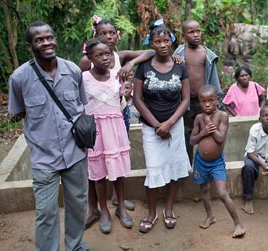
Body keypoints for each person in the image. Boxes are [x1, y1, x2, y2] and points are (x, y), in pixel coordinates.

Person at [8, 21, 89, 250]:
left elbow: (81, 107)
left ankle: (75, 245)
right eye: (39, 39)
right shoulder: (20, 78)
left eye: (49, 37)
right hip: (44, 159)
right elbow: (19, 112)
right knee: (45, 211)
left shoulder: (73, 70)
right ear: (30, 46)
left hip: (75, 154)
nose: (47, 42)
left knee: (78, 204)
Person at [133, 25, 191, 233]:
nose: (163, 45)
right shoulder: (144, 67)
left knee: (174, 167)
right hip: (151, 129)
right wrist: (157, 125)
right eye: (158, 41)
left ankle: (168, 209)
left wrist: (169, 123)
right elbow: (137, 99)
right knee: (154, 168)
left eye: (166, 41)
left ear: (172, 41)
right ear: (152, 43)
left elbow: (185, 100)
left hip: (175, 126)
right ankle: (151, 212)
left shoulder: (180, 66)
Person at [82, 37, 132, 233]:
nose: (105, 57)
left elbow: (122, 97)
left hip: (115, 128)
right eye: (99, 55)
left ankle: (120, 206)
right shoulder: (84, 78)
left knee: (118, 172)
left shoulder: (116, 75)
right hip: (95, 131)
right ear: (90, 57)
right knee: (98, 173)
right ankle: (103, 210)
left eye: (107, 54)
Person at [190, 85, 246, 238]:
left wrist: (209, 125)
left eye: (210, 100)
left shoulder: (222, 116)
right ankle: (210, 216)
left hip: (216, 162)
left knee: (222, 193)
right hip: (201, 161)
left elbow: (220, 138)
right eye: (203, 101)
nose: (207, 104)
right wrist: (203, 131)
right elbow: (192, 140)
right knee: (204, 189)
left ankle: (238, 223)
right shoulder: (198, 118)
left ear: (217, 100)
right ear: (199, 102)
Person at [173, 19, 222, 164]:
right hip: (185, 103)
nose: (196, 35)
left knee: (207, 132)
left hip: (204, 103)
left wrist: (215, 102)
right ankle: (188, 165)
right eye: (191, 32)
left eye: (198, 31)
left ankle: (207, 164)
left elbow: (213, 80)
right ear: (184, 36)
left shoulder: (207, 54)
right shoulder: (179, 53)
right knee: (187, 134)